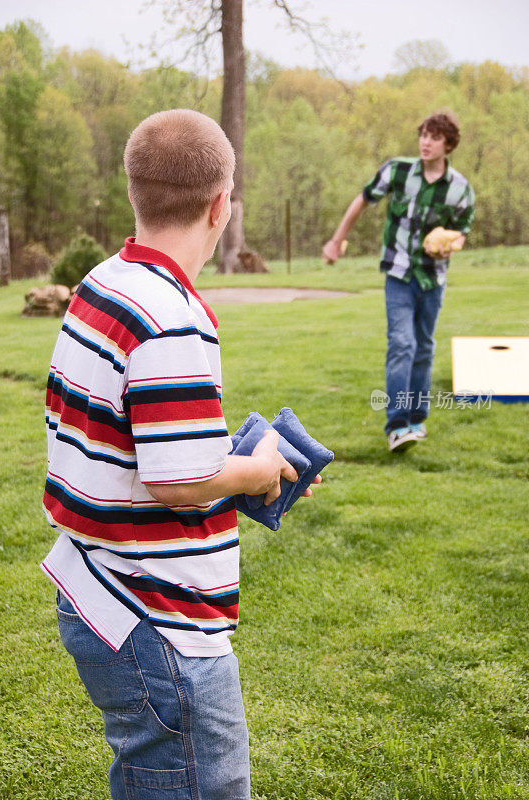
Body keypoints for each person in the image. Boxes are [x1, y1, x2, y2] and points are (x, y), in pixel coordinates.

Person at [41, 108, 319, 800]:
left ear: (133, 191)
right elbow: (179, 480)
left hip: (95, 587)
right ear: (221, 205)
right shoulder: (172, 317)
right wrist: (258, 471)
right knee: (201, 784)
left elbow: (142, 443)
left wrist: (247, 471)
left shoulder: (103, 284)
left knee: (151, 776)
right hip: (159, 620)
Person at [323, 111, 475, 452]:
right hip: (399, 273)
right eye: (423, 134)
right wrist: (336, 240)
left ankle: (417, 420)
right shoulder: (398, 171)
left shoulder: (460, 189)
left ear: (448, 144)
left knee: (423, 347)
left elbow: (463, 231)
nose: (425, 141)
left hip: (433, 278)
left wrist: (449, 246)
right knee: (402, 344)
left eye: (435, 137)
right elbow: (362, 199)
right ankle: (396, 426)